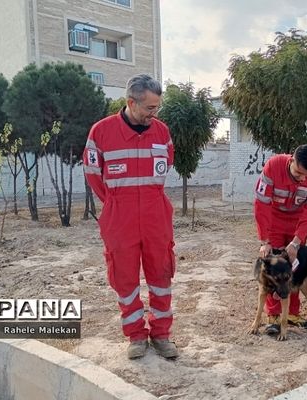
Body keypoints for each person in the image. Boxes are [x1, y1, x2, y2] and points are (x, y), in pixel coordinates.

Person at [83, 74, 178, 359]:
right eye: (150, 108)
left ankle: (161, 335)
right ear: (130, 103)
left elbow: (167, 163)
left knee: (161, 274)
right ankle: (136, 336)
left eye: (157, 107)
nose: (154, 113)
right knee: (124, 278)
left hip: (155, 213)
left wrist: (145, 198)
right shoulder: (100, 132)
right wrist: (115, 202)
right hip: (119, 215)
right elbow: (93, 175)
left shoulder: (161, 132)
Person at [254, 144, 307, 335]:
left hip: (298, 223)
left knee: (294, 265)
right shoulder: (273, 167)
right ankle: (274, 315)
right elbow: (261, 206)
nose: (302, 179)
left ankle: (292, 313)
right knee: (275, 266)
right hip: (274, 220)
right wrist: (264, 240)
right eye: (298, 174)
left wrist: (296, 241)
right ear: (291, 160)